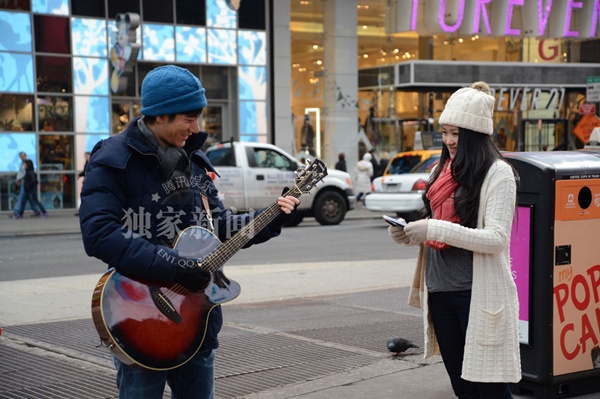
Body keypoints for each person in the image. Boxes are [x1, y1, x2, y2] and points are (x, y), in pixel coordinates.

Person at [79, 65, 300, 399]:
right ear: (160, 116)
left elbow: (221, 227)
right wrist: (175, 265)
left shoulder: (194, 161)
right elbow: (99, 233)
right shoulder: (112, 159)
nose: (196, 128)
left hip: (197, 320)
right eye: (189, 118)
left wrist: (270, 218)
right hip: (140, 316)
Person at [388, 81, 521, 399]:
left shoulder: (497, 174)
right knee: (462, 389)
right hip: (440, 293)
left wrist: (432, 228)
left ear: (475, 134)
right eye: (445, 131)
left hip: (475, 295)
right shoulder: (440, 171)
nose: (447, 140)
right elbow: (434, 229)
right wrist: (407, 234)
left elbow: (496, 239)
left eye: (456, 133)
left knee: (489, 390)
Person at [11, 152, 44, 219]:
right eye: (21, 156)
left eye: (23, 156)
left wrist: (19, 179)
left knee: (21, 198)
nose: (22, 158)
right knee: (30, 199)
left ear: (25, 156)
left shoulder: (27, 164)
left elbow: (26, 174)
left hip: (26, 184)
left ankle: (16, 211)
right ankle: (36, 210)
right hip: (25, 183)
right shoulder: (22, 164)